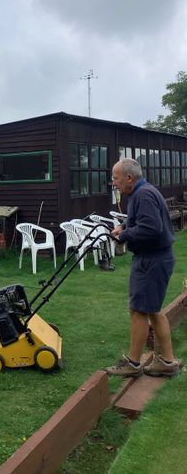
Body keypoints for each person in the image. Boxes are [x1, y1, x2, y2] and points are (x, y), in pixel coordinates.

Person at [106, 158, 182, 378]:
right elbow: (141, 221)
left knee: (139, 310)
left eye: (116, 178)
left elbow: (150, 228)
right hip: (156, 258)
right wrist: (125, 225)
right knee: (151, 310)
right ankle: (167, 362)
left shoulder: (143, 194)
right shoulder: (143, 192)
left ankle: (132, 363)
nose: (113, 183)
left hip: (152, 259)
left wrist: (124, 234)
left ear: (129, 177)